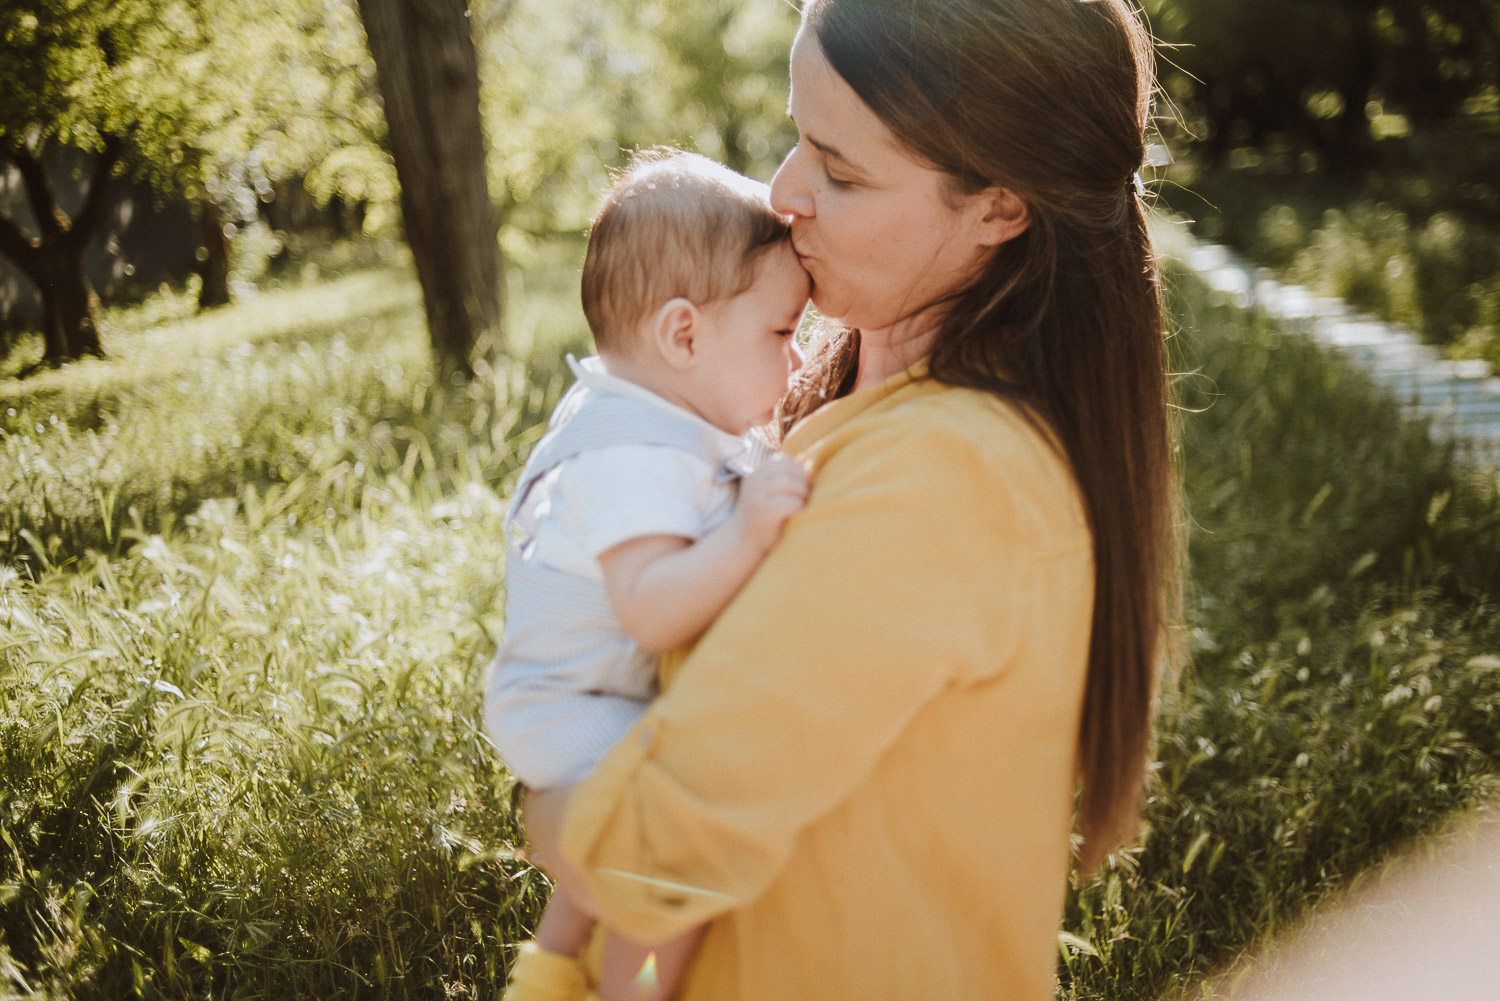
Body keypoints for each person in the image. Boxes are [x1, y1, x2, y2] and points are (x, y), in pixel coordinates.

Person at [523, 0, 1178, 998]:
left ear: (1000, 207)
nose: (784, 192)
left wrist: (545, 786)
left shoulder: (952, 479)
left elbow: (650, 844)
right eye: (797, 138)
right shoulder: (806, 382)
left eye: (842, 170)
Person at [486, 151, 811, 1001]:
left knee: (619, 849)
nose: (801, 364)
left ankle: (550, 970)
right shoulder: (634, 453)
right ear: (682, 334)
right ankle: (636, 993)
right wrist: (747, 529)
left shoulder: (650, 412)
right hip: (568, 708)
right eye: (782, 334)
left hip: (578, 696)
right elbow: (653, 610)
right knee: (674, 861)